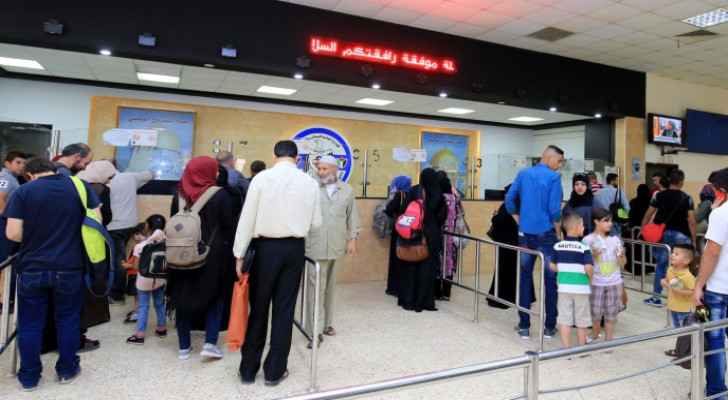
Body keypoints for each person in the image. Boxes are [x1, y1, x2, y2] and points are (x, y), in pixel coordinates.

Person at [5, 157, 100, 391]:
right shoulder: (79, 186)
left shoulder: (23, 192)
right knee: (67, 320)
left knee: (30, 324)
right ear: (53, 170)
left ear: (30, 174)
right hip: (70, 267)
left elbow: (13, 233)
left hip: (32, 267)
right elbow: (97, 221)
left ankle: (29, 377)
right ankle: (66, 370)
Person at [234, 140, 321, 386]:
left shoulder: (261, 179)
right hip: (294, 249)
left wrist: (239, 254)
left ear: (275, 155)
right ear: (297, 157)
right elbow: (316, 223)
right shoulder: (310, 182)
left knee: (258, 309)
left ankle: (248, 370)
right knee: (284, 311)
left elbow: (247, 218)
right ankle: (274, 371)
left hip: (265, 248)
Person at [169, 156, 239, 361]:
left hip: (180, 254)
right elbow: (229, 226)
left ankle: (183, 347)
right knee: (214, 298)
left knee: (182, 298)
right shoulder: (220, 195)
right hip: (212, 256)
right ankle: (209, 343)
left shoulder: (178, 195)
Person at [505, 145, 564, 340]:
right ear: (548, 157)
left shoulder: (523, 173)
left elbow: (509, 199)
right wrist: (557, 229)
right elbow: (555, 209)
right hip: (546, 235)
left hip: (524, 234)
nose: (560, 165)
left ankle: (523, 326)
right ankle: (549, 327)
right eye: (559, 161)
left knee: (524, 278)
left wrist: (517, 218)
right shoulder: (554, 178)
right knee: (550, 280)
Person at [304, 155, 360, 348]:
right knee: (315, 289)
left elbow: (352, 216)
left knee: (329, 289)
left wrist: (352, 239)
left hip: (336, 246)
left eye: (325, 169)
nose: (321, 172)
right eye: (319, 169)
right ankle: (314, 331)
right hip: (315, 246)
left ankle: (327, 324)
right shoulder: (311, 189)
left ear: (335, 170)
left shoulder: (347, 190)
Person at [694, 168, 728, 399]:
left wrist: (698, 285)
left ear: (721, 191)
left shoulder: (721, 214)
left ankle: (716, 392)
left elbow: (712, 252)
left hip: (718, 289)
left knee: (715, 340)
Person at [642, 169, 696, 307]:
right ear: (682, 182)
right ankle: (683, 298)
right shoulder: (687, 197)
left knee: (661, 266)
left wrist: (643, 229)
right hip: (682, 236)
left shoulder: (658, 196)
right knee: (683, 268)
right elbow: (691, 220)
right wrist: (694, 240)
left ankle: (656, 298)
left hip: (663, 234)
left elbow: (648, 214)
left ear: (669, 180)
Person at [397, 168, 446, 313]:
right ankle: (424, 302)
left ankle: (408, 300)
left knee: (410, 267)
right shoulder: (438, 194)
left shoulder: (414, 191)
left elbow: (403, 211)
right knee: (428, 270)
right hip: (431, 236)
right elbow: (442, 217)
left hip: (413, 234)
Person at [107, 169, 154, 304]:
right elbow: (151, 174)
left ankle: (117, 294)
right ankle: (122, 291)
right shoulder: (130, 177)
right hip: (130, 224)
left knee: (117, 259)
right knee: (123, 256)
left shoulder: (104, 182)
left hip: (113, 225)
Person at [582, 208, 626, 342]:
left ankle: (608, 340)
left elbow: (623, 263)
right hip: (596, 282)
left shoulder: (615, 240)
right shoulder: (587, 240)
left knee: (611, 314)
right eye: (606, 221)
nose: (610, 224)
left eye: (611, 220)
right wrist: (593, 255)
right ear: (596, 222)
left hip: (614, 282)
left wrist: (621, 256)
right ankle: (594, 334)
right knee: (595, 313)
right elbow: (584, 263)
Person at [550, 213, 593, 349]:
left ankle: (566, 349)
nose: (584, 227)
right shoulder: (583, 247)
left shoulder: (558, 246)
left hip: (563, 288)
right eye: (582, 225)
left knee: (564, 319)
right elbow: (588, 267)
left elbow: (552, 266)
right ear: (576, 227)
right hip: (581, 288)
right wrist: (591, 279)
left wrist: (562, 270)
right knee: (582, 320)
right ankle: (581, 348)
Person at [125, 215, 167, 345]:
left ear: (147, 226)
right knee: (159, 303)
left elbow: (136, 266)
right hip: (160, 278)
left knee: (143, 306)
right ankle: (162, 328)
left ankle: (140, 334)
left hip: (144, 281)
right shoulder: (166, 241)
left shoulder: (140, 246)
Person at [486, 184, 522, 309]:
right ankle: (511, 297)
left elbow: (499, 220)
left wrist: (495, 216)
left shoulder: (508, 206)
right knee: (511, 271)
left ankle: (502, 298)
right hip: (513, 243)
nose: (506, 195)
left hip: (507, 244)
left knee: (505, 271)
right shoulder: (517, 205)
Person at [0, 151, 26, 305]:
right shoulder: (5, 178)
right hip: (4, 223)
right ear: (7, 163)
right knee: (4, 261)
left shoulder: (13, 179)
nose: (21, 166)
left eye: (23, 163)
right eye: (18, 162)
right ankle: (3, 298)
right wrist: (8, 218)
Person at [384, 175, 412, 297]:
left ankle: (394, 288)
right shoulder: (412, 195)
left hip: (398, 230)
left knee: (396, 259)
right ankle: (404, 286)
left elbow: (389, 209)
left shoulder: (398, 195)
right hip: (410, 230)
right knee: (405, 259)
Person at [437, 171, 461, 301]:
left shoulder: (438, 197)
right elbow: (460, 214)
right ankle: (447, 292)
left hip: (440, 235)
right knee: (449, 263)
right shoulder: (455, 197)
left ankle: (437, 291)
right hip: (452, 236)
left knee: (438, 263)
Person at [662, 244, 696, 330]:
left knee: (685, 331)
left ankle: (686, 343)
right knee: (677, 329)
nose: (672, 255)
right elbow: (667, 280)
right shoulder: (670, 269)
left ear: (686, 260)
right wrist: (664, 282)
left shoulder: (688, 276)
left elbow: (691, 292)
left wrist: (673, 288)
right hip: (673, 306)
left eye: (676, 254)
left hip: (685, 309)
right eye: (673, 252)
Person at [77, 160, 117, 226]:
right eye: (109, 178)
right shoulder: (102, 189)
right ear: (103, 173)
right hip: (91, 227)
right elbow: (106, 216)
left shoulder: (75, 181)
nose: (109, 182)